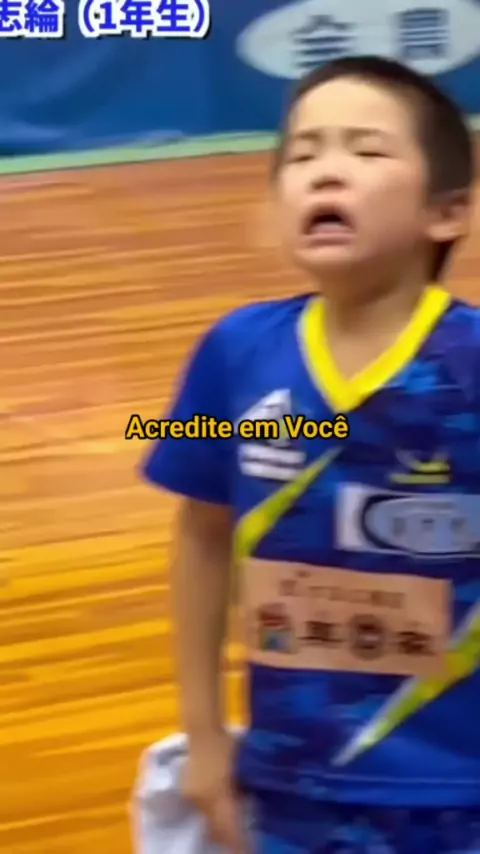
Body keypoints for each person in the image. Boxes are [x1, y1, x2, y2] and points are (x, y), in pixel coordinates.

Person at [142, 55, 480, 854]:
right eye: (302, 154)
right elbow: (201, 538)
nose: (327, 171)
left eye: (366, 150)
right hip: (287, 786)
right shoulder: (234, 353)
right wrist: (205, 739)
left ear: (448, 211)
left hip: (461, 790)